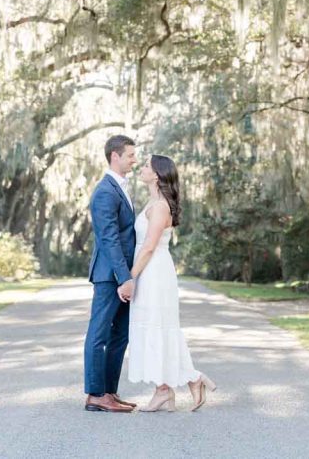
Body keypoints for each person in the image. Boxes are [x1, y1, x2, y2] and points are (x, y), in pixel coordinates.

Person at [127, 154, 216, 412]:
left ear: (157, 174)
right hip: (149, 270)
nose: (141, 168)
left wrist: (130, 278)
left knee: (158, 328)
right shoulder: (153, 202)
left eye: (146, 165)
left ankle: (185, 381)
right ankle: (166, 389)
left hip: (154, 273)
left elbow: (149, 247)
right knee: (153, 328)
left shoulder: (161, 206)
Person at [83, 135, 138, 412]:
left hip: (122, 273)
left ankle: (108, 392)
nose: (134, 160)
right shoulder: (105, 191)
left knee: (121, 335)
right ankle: (95, 394)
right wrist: (124, 277)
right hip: (110, 275)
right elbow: (109, 238)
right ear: (115, 156)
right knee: (100, 333)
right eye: (130, 155)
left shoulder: (120, 187)